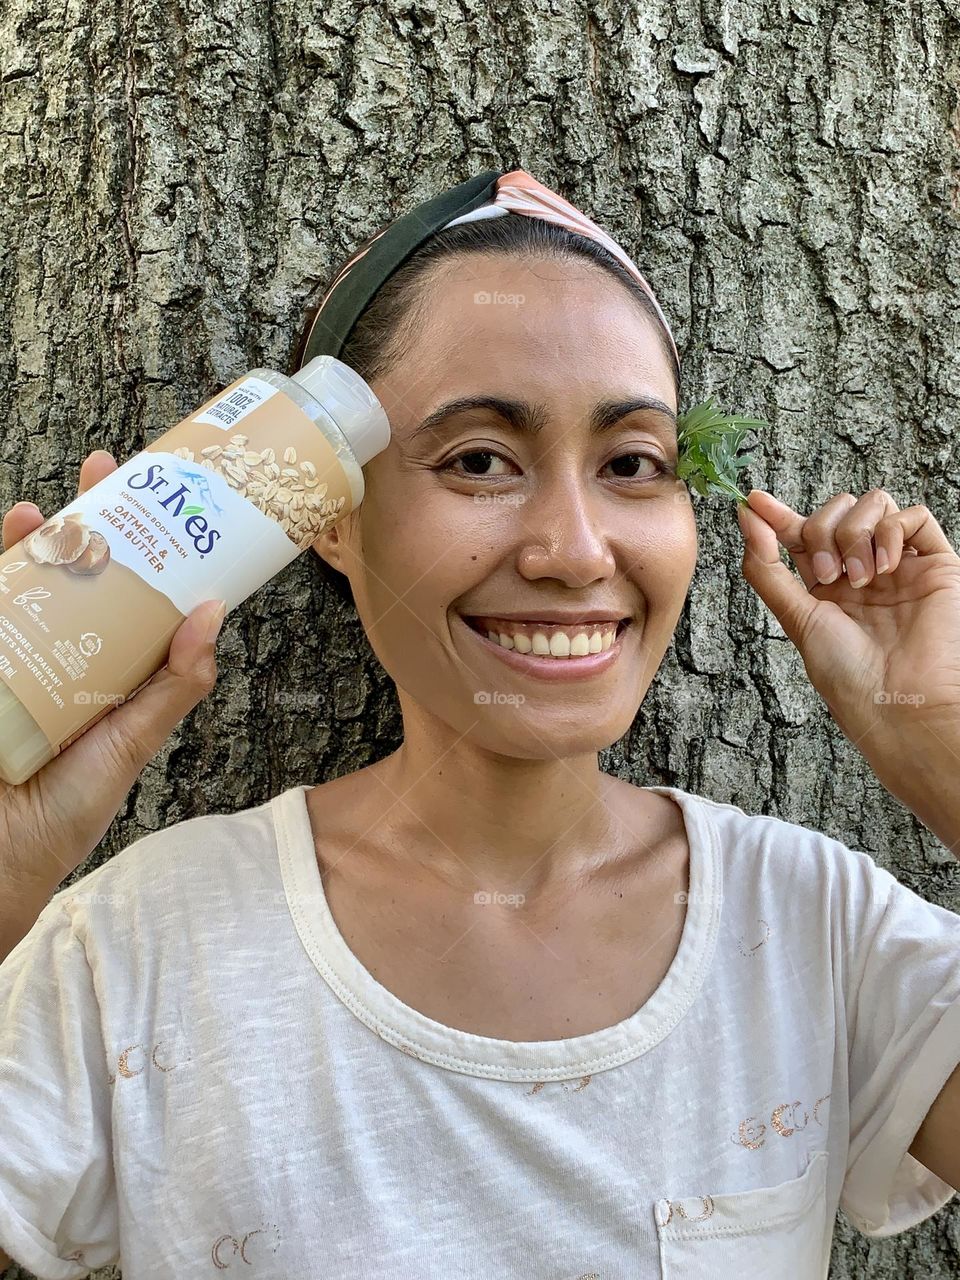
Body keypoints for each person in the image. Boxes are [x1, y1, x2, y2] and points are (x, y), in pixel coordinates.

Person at [0, 168, 958, 1279]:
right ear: (327, 518)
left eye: (633, 464)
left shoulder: (811, 928)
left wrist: (937, 735)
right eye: (479, 461)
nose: (575, 548)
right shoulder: (134, 945)